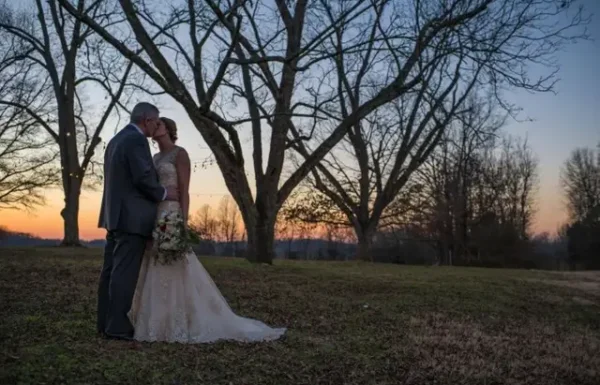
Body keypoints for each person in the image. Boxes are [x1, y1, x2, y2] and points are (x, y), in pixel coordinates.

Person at [128, 117, 286, 343]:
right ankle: (156, 321)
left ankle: (180, 321)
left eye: (160, 125)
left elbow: (185, 189)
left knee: (174, 264)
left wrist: (181, 221)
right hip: (155, 212)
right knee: (155, 263)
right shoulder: (154, 158)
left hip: (171, 212)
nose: (155, 128)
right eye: (155, 124)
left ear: (169, 129)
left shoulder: (179, 154)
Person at [97, 102, 179, 341]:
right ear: (146, 120)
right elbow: (142, 176)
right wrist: (164, 194)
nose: (156, 126)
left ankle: (105, 322)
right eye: (155, 121)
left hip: (114, 215)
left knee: (110, 271)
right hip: (131, 219)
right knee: (124, 273)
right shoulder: (136, 140)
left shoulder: (115, 140)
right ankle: (118, 326)